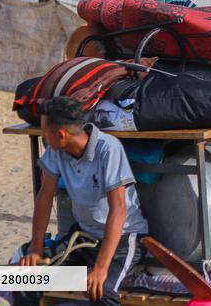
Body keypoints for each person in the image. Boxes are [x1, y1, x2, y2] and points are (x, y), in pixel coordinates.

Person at [18, 97, 148, 306]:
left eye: (44, 131)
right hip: (83, 237)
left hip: (123, 239)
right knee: (27, 278)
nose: (43, 136)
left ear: (61, 135)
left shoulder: (108, 148)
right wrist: (35, 248)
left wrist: (101, 268)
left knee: (101, 291)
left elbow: (119, 211)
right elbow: (45, 196)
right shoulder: (56, 150)